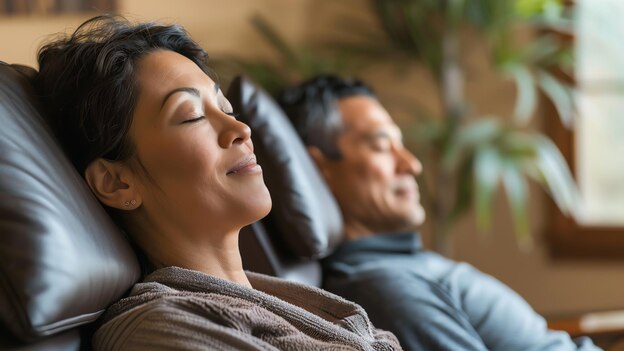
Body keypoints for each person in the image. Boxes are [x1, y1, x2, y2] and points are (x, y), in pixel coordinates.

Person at [35, 16, 402, 351]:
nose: (240, 130)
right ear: (116, 182)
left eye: (225, 108)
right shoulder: (162, 330)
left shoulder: (294, 301)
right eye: (192, 116)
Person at [277, 75, 600, 351]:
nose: (411, 164)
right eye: (380, 144)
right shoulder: (386, 289)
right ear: (317, 168)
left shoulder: (400, 265)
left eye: (400, 143)